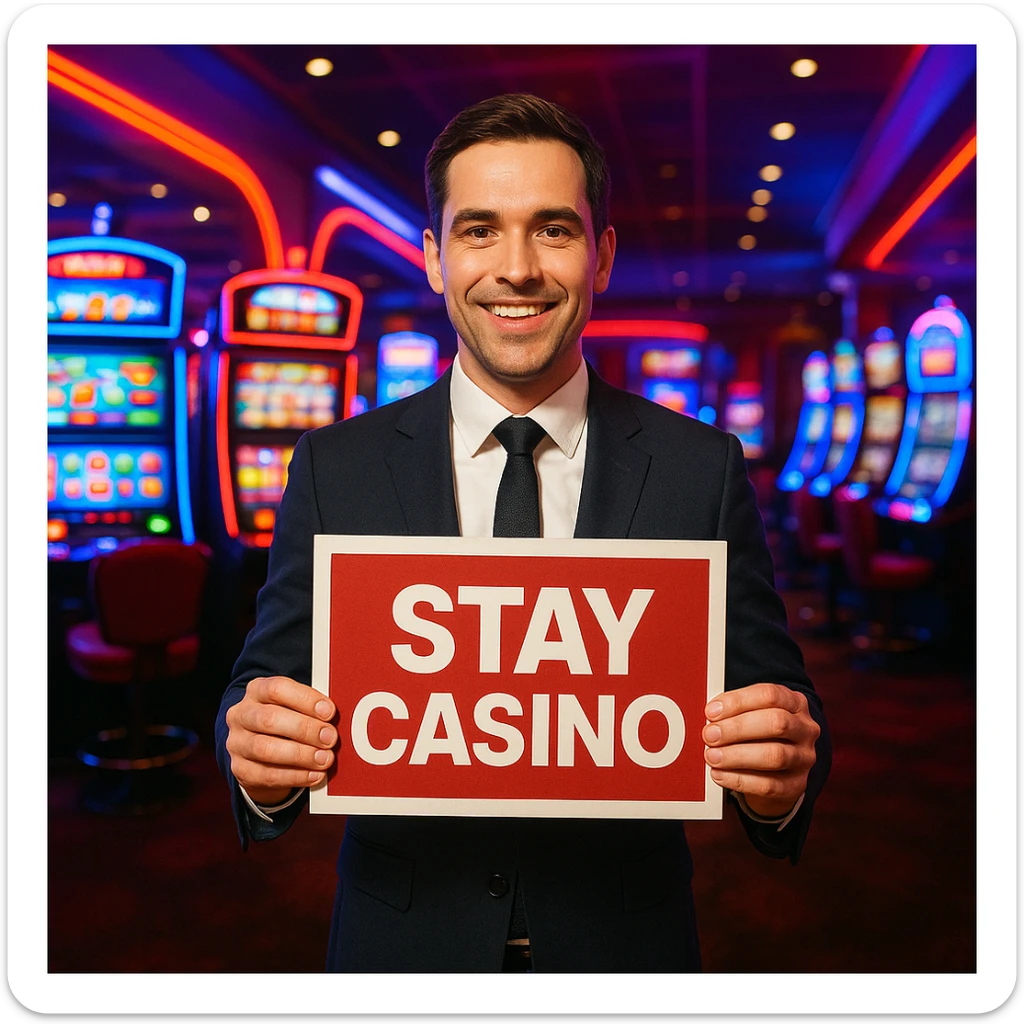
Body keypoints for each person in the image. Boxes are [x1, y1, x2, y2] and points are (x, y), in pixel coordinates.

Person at [215, 93, 831, 973]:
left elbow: (786, 712)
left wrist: (779, 774)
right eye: (477, 231)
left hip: (625, 950)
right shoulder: (333, 466)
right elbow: (255, 693)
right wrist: (257, 758)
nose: (517, 268)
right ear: (433, 257)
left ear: (602, 254)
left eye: (553, 229)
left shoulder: (703, 467)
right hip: (403, 949)